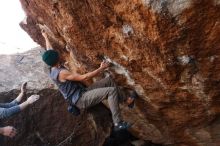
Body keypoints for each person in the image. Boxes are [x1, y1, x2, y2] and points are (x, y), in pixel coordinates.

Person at [41, 31, 137, 131]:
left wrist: (45, 37)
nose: (59, 54)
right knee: (111, 91)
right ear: (57, 59)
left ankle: (126, 100)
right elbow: (84, 78)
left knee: (108, 81)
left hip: (82, 92)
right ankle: (118, 123)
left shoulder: (51, 66)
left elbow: (49, 51)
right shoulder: (62, 73)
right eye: (58, 55)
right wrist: (101, 68)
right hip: (80, 99)